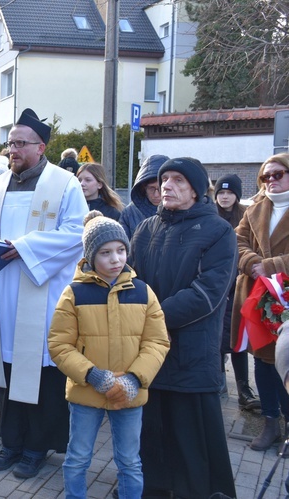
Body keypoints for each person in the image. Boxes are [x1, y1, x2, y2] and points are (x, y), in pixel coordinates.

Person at [0, 108, 87, 478]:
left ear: (41, 146)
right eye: (9, 143)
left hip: (42, 289)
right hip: (3, 290)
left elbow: (75, 233)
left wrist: (26, 248)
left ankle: (37, 447)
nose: (12, 150)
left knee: (39, 371)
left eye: (20, 143)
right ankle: (11, 443)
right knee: (6, 369)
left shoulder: (63, 184)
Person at [129, 157, 237, 498]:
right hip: (148, 353)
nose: (167, 185)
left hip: (190, 353)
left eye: (177, 180)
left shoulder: (218, 231)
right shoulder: (146, 228)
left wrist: (149, 317)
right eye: (164, 179)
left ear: (195, 188)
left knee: (191, 441)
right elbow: (129, 278)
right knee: (151, 433)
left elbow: (207, 293)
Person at [49, 211, 169, 499]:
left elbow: (157, 342)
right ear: (91, 256)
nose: (115, 259)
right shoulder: (74, 293)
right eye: (105, 252)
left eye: (121, 250)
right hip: (86, 391)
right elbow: (59, 344)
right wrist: (92, 375)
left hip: (130, 392)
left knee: (130, 461)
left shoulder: (143, 292)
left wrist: (135, 378)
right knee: (77, 457)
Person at [232, 154, 289, 451]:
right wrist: (253, 262)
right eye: (266, 176)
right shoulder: (254, 209)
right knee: (263, 363)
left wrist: (271, 265)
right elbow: (237, 241)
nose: (271, 181)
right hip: (256, 297)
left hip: (285, 300)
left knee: (286, 362)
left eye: (277, 174)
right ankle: (270, 424)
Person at [214, 174, 260, 411]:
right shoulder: (210, 214)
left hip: (240, 285)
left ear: (237, 195)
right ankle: (218, 381)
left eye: (229, 193)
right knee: (216, 336)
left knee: (238, 337)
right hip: (216, 284)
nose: (224, 197)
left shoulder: (246, 216)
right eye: (221, 193)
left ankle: (244, 388)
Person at [119, 154, 169, 239]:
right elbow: (122, 246)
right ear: (143, 188)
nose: (156, 195)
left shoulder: (182, 210)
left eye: (161, 189)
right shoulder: (129, 213)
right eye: (151, 188)